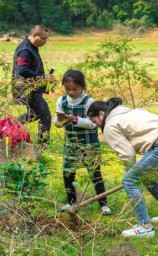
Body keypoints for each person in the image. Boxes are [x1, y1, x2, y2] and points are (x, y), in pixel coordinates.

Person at [87, 98, 158, 238]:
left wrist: (130, 175)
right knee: (149, 180)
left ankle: (145, 227)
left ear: (101, 114)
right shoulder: (129, 112)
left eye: (94, 121)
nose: (97, 126)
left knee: (129, 180)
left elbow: (127, 154)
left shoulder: (110, 125)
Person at [54, 70, 111, 215]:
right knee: (68, 172)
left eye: (75, 89)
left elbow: (92, 124)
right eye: (68, 89)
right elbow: (57, 123)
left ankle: (103, 204)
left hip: (89, 142)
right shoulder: (62, 101)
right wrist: (60, 120)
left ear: (83, 87)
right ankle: (70, 201)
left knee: (94, 172)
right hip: (71, 142)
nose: (71, 92)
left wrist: (74, 120)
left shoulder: (88, 102)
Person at [13, 25, 53, 145]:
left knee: (34, 114)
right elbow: (22, 70)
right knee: (45, 115)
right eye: (43, 39)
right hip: (28, 89)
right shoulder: (25, 50)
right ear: (35, 35)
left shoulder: (31, 46)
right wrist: (41, 77)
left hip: (32, 87)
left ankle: (9, 124)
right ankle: (42, 146)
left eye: (47, 39)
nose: (45, 42)